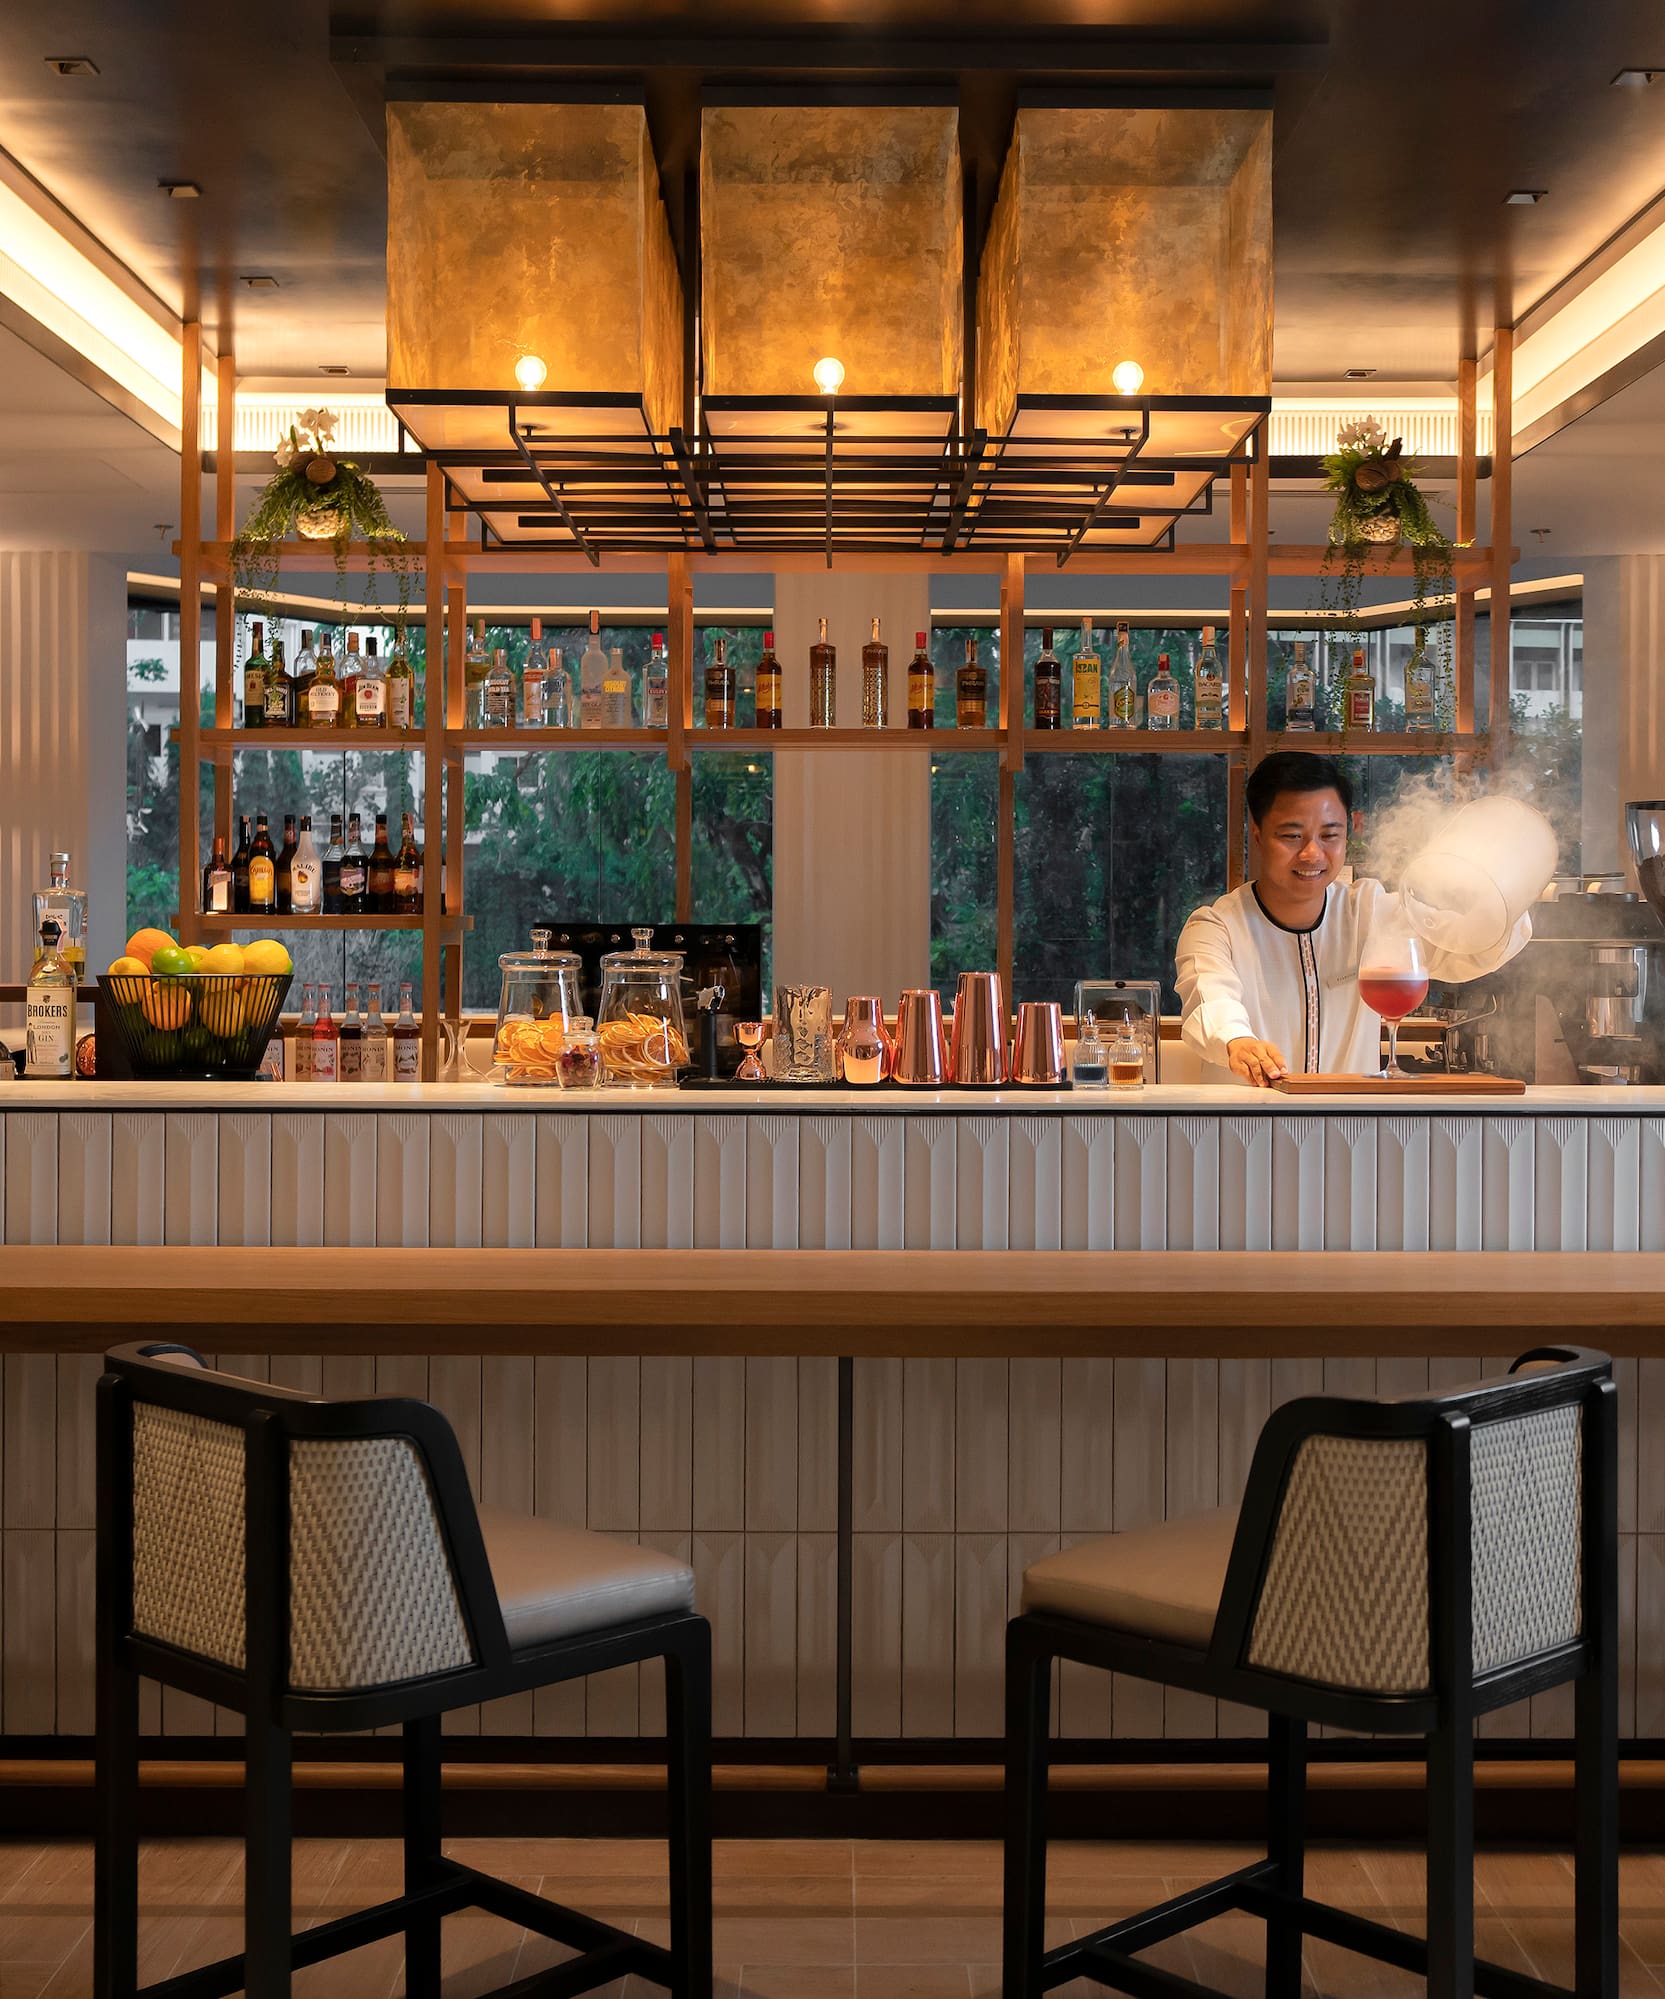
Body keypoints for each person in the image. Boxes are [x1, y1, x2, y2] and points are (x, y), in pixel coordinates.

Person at [1175, 750, 1531, 1086]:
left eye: (1330, 835)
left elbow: (1471, 949)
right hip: (1245, 1132)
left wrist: (1499, 890)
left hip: (1350, 1133)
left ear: (1350, 830)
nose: (1312, 853)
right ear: (1258, 835)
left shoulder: (1372, 911)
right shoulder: (1215, 927)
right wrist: (1238, 1041)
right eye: (1292, 836)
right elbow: (1211, 998)